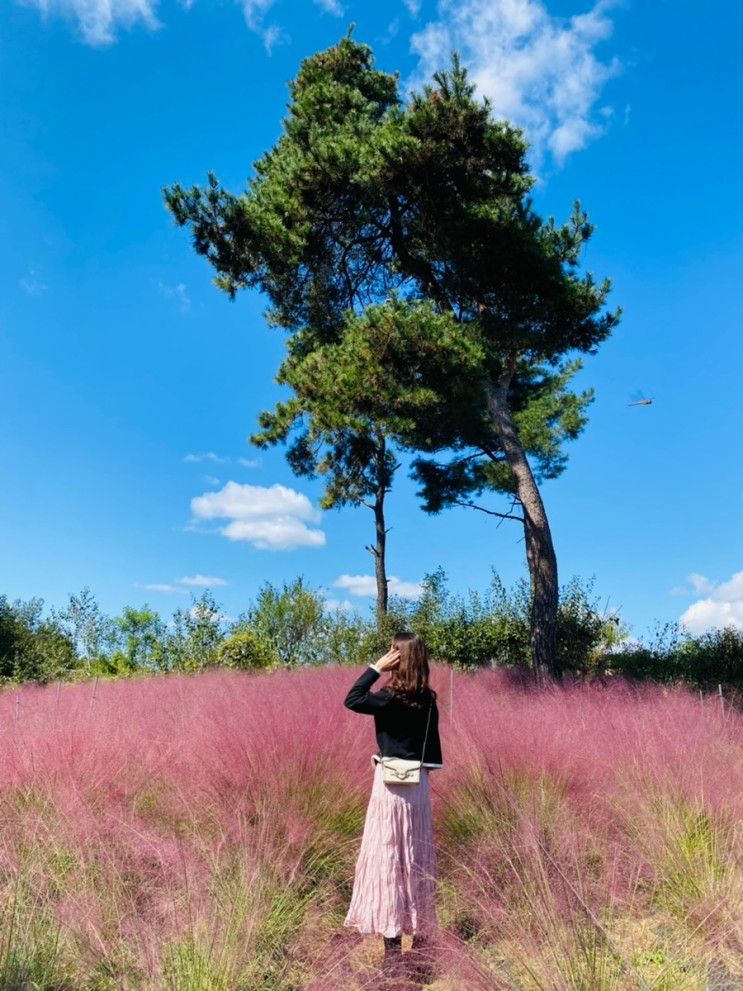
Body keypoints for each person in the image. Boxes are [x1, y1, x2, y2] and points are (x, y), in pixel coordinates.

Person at [342, 631, 443, 986]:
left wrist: (374, 668)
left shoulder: (386, 698)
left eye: (392, 653)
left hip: (388, 791)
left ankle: (392, 953)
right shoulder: (428, 701)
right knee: (415, 860)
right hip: (418, 790)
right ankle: (420, 935)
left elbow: (352, 699)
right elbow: (433, 758)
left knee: (389, 862)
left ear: (397, 659)